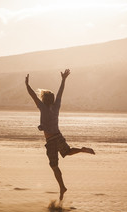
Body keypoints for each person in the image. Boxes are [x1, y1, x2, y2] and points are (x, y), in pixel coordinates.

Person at [25, 69, 95, 201]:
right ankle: (81, 150)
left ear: (44, 99)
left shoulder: (42, 107)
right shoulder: (56, 106)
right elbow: (60, 93)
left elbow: (32, 96)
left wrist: (27, 85)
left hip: (51, 140)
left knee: (54, 166)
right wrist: (63, 79)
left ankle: (62, 187)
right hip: (59, 136)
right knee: (67, 152)